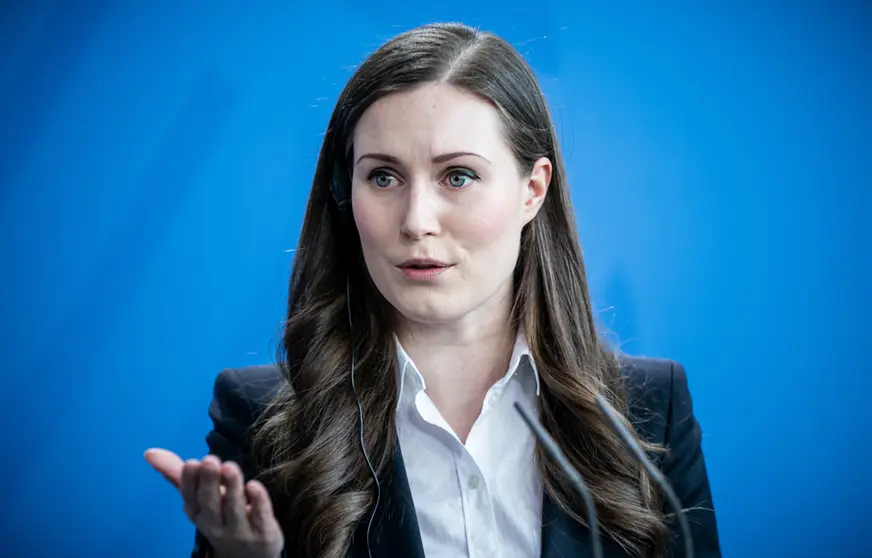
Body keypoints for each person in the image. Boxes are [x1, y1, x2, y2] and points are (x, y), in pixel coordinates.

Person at [145, 22, 721, 558]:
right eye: (383, 177)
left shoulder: (650, 411)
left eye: (459, 176)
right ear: (348, 194)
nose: (417, 220)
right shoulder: (263, 421)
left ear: (532, 189)